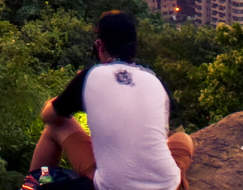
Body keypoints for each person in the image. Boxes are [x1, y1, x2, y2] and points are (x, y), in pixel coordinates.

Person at [25, 10, 193, 190]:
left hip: (111, 186)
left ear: (99, 46)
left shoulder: (90, 76)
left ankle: (35, 184)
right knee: (183, 138)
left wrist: (58, 100)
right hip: (169, 186)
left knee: (56, 125)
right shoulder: (154, 80)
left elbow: (48, 116)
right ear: (134, 48)